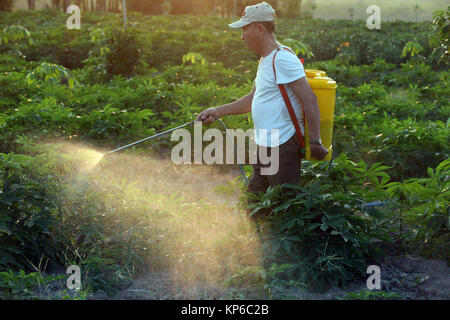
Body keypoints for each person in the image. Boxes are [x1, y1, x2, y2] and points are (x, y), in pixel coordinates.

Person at [196, 2, 329, 211]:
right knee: (255, 204)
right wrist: (217, 110)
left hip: (283, 144)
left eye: (245, 29)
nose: (242, 37)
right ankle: (260, 239)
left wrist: (315, 141)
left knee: (287, 206)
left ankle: (304, 242)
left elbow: (309, 99)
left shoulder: (283, 58)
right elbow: (253, 98)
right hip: (265, 145)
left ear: (259, 28)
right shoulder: (265, 60)